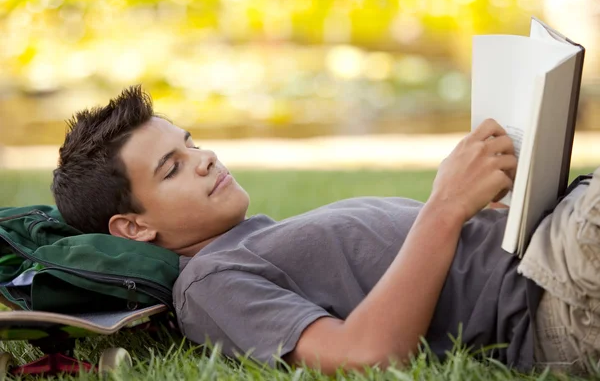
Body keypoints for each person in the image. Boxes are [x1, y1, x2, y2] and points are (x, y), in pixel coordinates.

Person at [51, 86, 600, 375]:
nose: (203, 158)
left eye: (190, 143)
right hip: (548, 292)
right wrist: (446, 204)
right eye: (172, 168)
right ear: (133, 226)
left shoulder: (252, 243)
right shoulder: (210, 284)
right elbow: (365, 356)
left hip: (553, 241)